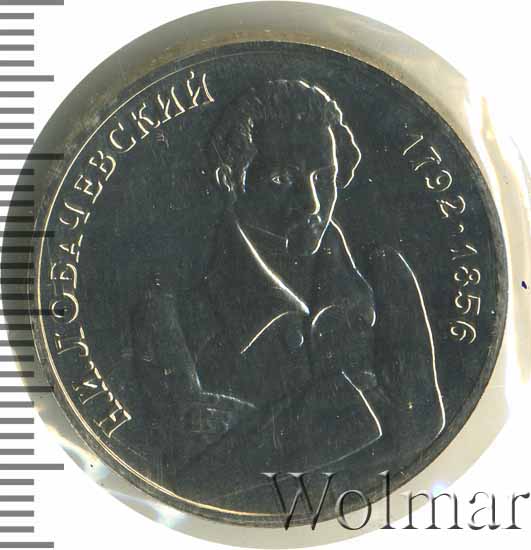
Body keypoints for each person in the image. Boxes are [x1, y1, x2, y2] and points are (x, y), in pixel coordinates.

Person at [132, 80, 446, 498]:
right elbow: (189, 478)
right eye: (282, 178)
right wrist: (352, 409)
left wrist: (246, 435)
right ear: (231, 179)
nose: (312, 202)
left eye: (324, 177)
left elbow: (419, 431)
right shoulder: (170, 306)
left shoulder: (384, 276)